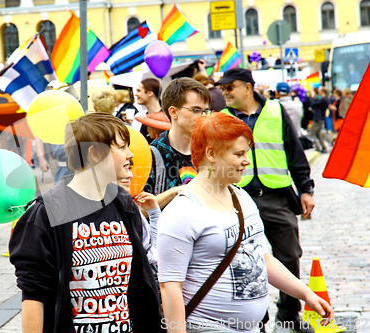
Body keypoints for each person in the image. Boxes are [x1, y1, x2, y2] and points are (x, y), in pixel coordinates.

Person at [158, 112, 334, 333]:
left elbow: (263, 258)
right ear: (211, 153)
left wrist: (306, 294)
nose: (247, 161)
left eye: (246, 152)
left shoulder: (242, 198)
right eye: (239, 153)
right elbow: (170, 285)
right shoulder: (181, 212)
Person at [9, 113, 165, 333]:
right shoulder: (46, 214)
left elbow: (139, 285)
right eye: (121, 147)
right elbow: (34, 296)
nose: (130, 155)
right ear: (94, 153)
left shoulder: (124, 205)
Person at [216, 68, 317, 333]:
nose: (224, 92)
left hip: (277, 197)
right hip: (237, 199)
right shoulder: (222, 118)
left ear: (248, 87)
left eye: (230, 87)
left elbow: (294, 151)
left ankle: (288, 316)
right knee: (244, 261)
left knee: (290, 255)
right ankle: (255, 320)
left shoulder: (275, 110)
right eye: (223, 88)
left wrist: (306, 189)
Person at [143, 78, 211, 210]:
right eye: (196, 110)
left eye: (205, 111)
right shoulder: (152, 154)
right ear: (173, 112)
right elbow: (136, 210)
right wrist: (175, 192)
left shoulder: (208, 152)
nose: (203, 117)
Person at [135, 78, 162, 143]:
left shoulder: (166, 116)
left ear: (150, 93)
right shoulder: (141, 116)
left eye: (139, 91)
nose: (136, 94)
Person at [311, 87, 330, 153]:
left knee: (312, 132)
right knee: (318, 134)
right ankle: (323, 147)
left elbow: (313, 104)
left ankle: (318, 147)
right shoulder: (324, 99)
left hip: (318, 118)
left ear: (323, 92)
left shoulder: (323, 100)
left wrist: (313, 97)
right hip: (320, 118)